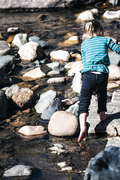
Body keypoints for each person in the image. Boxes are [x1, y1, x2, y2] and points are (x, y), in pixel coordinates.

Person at [78, 19, 120, 143]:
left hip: (88, 75)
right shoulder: (106, 39)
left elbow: (85, 61)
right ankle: (102, 115)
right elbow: (118, 50)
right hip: (102, 74)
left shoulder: (84, 44)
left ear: (86, 32)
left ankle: (83, 126)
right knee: (102, 93)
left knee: (84, 101)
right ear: (100, 30)